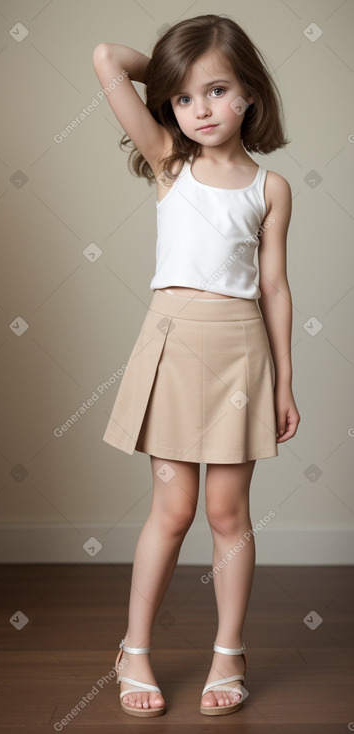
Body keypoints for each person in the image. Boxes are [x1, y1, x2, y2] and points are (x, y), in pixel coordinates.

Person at [92, 13, 300, 719]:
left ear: (250, 95)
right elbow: (105, 59)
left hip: (240, 351)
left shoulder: (269, 189)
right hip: (175, 345)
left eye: (216, 91)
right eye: (183, 96)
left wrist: (284, 382)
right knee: (173, 508)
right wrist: (171, 74)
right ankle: (135, 650)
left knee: (227, 511)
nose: (199, 109)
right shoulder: (168, 162)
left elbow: (273, 287)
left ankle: (228, 654)